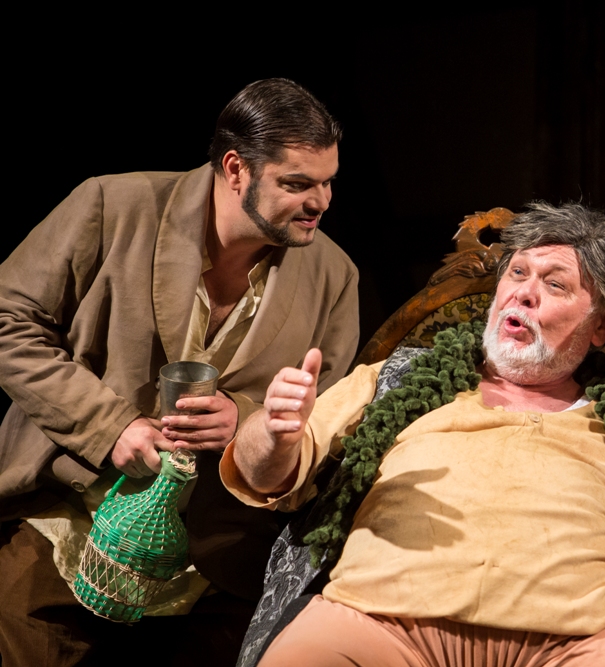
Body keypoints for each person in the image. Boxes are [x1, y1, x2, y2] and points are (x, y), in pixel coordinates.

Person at [221, 203, 605, 667]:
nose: (524, 293)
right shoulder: (397, 378)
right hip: (376, 624)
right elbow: (264, 477)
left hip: (577, 644)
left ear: (600, 326)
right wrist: (272, 433)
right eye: (517, 273)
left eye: (555, 284)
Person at [0, 78, 359, 666]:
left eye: (328, 182)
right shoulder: (113, 207)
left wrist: (248, 424)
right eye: (297, 184)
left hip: (214, 564)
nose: (320, 202)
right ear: (236, 169)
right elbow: (8, 320)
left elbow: (330, 421)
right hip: (67, 518)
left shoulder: (333, 275)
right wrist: (110, 426)